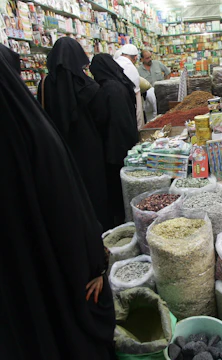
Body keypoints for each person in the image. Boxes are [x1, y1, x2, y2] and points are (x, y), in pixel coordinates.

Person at [0, 44, 115, 360]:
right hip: (85, 165)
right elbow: (66, 208)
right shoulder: (38, 133)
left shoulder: (44, 89)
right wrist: (94, 262)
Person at [37, 37, 110, 230]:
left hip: (60, 146)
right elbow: (101, 118)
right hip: (89, 147)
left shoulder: (44, 85)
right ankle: (100, 227)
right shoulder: (90, 87)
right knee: (95, 188)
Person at [90, 53, 138, 225]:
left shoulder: (106, 89)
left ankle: (121, 217)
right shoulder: (122, 83)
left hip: (114, 145)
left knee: (117, 184)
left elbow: (101, 118)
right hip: (129, 138)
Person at [114, 44, 144, 130]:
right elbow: (136, 96)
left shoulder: (115, 62)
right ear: (135, 57)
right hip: (129, 103)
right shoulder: (131, 68)